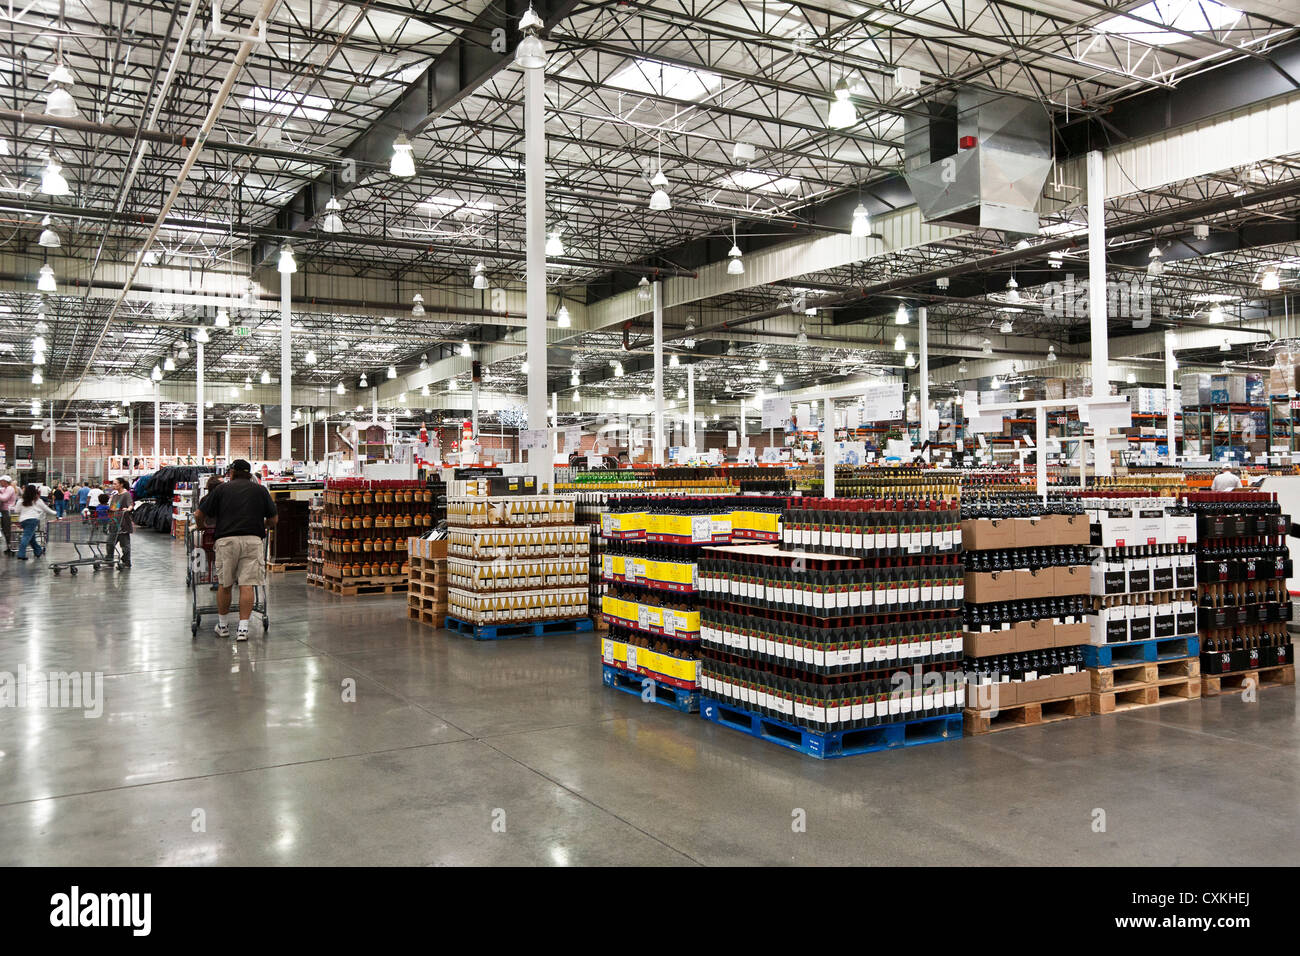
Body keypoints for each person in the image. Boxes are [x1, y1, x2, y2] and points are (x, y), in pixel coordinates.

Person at [195, 460, 277, 641]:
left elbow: (199, 514)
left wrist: (202, 527)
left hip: (227, 541)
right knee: (246, 584)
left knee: (225, 584)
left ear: (232, 472)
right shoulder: (261, 490)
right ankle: (243, 629)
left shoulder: (221, 490)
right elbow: (273, 519)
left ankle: (223, 626)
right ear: (249, 474)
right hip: (252, 540)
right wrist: (261, 524)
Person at [15, 484, 54, 560]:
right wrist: (56, 513)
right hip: (33, 520)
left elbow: (17, 510)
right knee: (26, 537)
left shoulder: (21, 500)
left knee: (31, 537)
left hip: (23, 520)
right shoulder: (37, 500)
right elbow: (46, 509)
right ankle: (21, 554)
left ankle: (38, 551)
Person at [105, 476, 134, 569]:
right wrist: (112, 510)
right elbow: (114, 507)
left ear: (121, 484)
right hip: (114, 522)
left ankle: (126, 562)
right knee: (109, 542)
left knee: (125, 545)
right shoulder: (115, 495)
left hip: (123, 524)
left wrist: (127, 509)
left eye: (115, 483)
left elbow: (130, 505)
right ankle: (110, 561)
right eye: (113, 483)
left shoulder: (126, 494)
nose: (113, 485)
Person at [0, 475, 15, 555]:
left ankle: (10, 546)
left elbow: (4, 498)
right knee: (5, 529)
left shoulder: (10, 488)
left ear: (5, 481)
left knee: (7, 529)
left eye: (1, 481)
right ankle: (8, 546)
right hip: (4, 511)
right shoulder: (5, 488)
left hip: (7, 511)